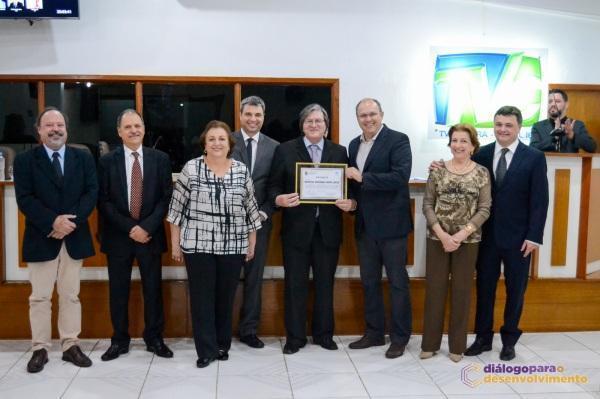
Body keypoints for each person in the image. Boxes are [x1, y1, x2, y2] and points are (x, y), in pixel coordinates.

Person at [167, 120, 261, 368]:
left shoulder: (241, 170)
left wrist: (251, 244)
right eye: (212, 139)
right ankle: (206, 350)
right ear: (204, 143)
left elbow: (251, 210)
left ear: (229, 144)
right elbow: (176, 210)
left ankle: (222, 344)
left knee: (225, 298)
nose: (217, 143)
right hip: (197, 246)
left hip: (233, 245)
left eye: (221, 139)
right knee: (201, 299)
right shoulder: (191, 168)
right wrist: (176, 245)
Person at [13, 107, 97, 373]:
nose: (55, 129)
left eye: (59, 124)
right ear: (39, 130)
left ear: (66, 128)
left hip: (73, 236)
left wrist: (68, 223)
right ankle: (40, 348)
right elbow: (25, 199)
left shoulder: (82, 157)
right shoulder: (26, 161)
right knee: (39, 297)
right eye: (48, 125)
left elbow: (91, 192)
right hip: (42, 236)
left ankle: (70, 344)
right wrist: (53, 221)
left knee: (70, 295)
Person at [461, 106, 549, 361]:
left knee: (515, 291)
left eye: (508, 125)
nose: (502, 129)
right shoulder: (483, 154)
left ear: (519, 127)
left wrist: (534, 236)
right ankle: (482, 338)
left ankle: (509, 340)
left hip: (520, 240)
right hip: (486, 237)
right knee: (485, 289)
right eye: (498, 124)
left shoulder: (533, 157)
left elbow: (540, 201)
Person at [269, 103, 355, 355]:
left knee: (325, 285)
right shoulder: (285, 150)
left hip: (328, 230)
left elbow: (349, 191)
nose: (314, 125)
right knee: (294, 285)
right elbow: (273, 186)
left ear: (326, 127)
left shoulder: (339, 152)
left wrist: (352, 203)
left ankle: (324, 335)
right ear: (302, 126)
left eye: (319, 121)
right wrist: (279, 199)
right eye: (309, 121)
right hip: (296, 230)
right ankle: (294, 338)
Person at [97, 109, 174, 361]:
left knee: (153, 290)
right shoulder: (107, 161)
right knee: (118, 291)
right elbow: (104, 201)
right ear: (119, 131)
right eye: (128, 127)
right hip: (118, 236)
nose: (134, 130)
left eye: (137, 126)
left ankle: (154, 339)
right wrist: (131, 228)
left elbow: (165, 199)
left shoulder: (160, 159)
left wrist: (146, 227)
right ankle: (119, 340)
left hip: (150, 236)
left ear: (144, 128)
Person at [346, 98, 413, 359]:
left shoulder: (398, 140)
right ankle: (374, 333)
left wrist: (363, 177)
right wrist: (351, 202)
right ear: (357, 118)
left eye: (372, 114)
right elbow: (354, 187)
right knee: (369, 282)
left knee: (398, 284)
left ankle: (399, 338)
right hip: (364, 225)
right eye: (363, 115)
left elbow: (400, 176)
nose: (368, 119)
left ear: (381, 114)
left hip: (392, 226)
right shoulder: (353, 144)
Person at [420, 123, 491, 363]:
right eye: (454, 140)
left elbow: (485, 208)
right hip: (437, 239)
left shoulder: (481, 172)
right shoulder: (438, 170)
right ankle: (429, 344)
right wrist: (442, 234)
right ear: (449, 143)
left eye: (464, 141)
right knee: (435, 292)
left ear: (473, 146)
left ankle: (457, 347)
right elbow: (427, 204)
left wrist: (461, 235)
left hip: (468, 241)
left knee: (462, 293)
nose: (458, 145)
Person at [231, 96, 279, 349]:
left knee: (254, 278)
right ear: (240, 115)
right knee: (225, 277)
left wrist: (263, 213)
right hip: (227, 223)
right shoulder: (224, 140)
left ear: (263, 116)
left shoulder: (274, 147)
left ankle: (249, 330)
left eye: (258, 115)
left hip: (259, 223)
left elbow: (275, 186)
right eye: (248, 114)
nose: (253, 119)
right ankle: (220, 329)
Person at [530, 89, 596, 153]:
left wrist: (572, 135)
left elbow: (592, 147)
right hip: (546, 164)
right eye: (550, 101)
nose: (553, 104)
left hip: (570, 164)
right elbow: (532, 150)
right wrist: (554, 137)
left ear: (566, 104)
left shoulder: (577, 125)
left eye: (557, 101)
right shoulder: (538, 127)